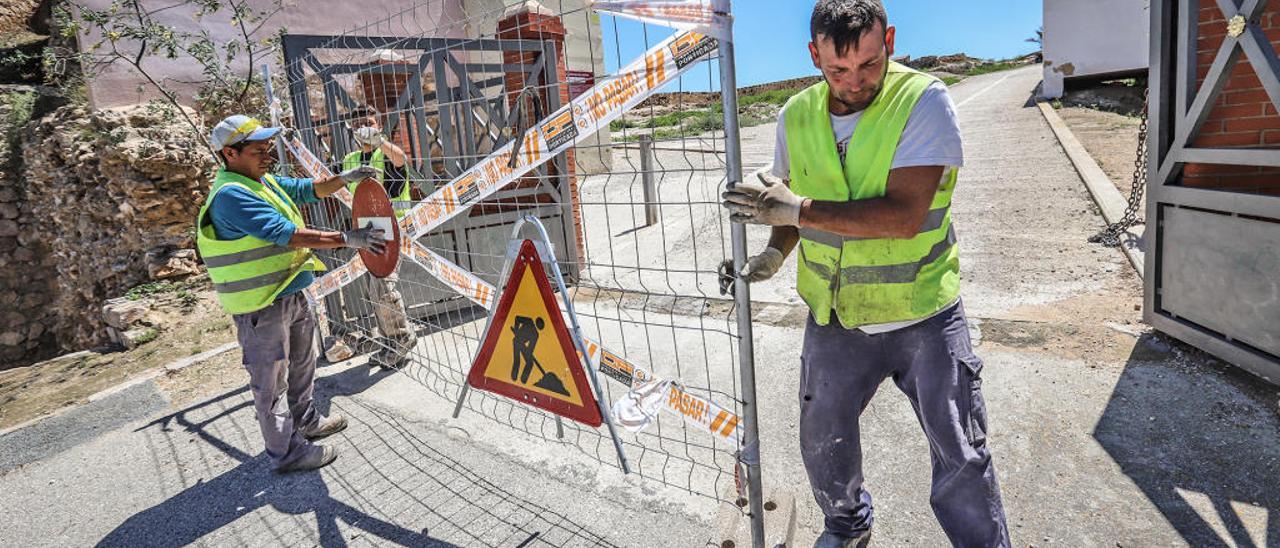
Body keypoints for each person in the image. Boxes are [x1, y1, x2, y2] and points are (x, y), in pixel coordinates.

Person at [720, 2, 1010, 546]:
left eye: (869, 64)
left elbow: (902, 217)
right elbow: (788, 204)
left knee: (960, 454)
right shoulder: (796, 115)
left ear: (890, 40)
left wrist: (796, 212)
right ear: (814, 55)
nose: (855, 82)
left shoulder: (923, 100)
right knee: (822, 440)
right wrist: (776, 251)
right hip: (835, 319)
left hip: (924, 314)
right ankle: (848, 526)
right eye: (837, 69)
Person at [196, 114, 386, 473]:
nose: (268, 156)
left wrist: (342, 179)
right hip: (261, 303)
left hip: (289, 289)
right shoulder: (230, 196)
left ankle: (306, 422)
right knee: (270, 380)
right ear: (229, 154)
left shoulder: (259, 181)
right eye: (258, 150)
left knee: (303, 364)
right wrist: (347, 238)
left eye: (268, 148)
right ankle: (287, 453)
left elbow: (305, 190)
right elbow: (286, 233)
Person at [341, 105, 419, 369]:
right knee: (374, 289)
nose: (364, 127)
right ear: (351, 130)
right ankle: (388, 341)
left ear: (379, 125)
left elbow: (400, 160)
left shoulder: (385, 153)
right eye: (358, 123)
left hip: (394, 230)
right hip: (368, 233)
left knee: (384, 286)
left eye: (370, 122)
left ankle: (402, 337)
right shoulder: (350, 159)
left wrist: (380, 141)